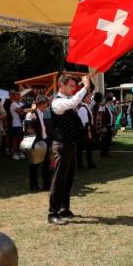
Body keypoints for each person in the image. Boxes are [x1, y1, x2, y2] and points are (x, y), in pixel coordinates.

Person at [47, 74, 88, 225]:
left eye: (74, 86)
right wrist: (85, 87)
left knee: (68, 178)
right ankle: (53, 213)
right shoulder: (58, 102)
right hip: (61, 144)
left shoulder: (67, 101)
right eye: (71, 86)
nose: (73, 88)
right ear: (61, 85)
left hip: (69, 144)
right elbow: (73, 102)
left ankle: (64, 208)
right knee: (59, 178)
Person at [25, 95, 52, 192]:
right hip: (36, 142)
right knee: (34, 165)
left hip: (43, 141)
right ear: (42, 104)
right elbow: (28, 129)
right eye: (46, 103)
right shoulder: (32, 114)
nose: (47, 105)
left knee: (45, 164)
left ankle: (47, 185)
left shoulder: (41, 113)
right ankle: (33, 186)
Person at [76, 92, 96, 169]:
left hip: (85, 131)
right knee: (82, 149)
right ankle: (81, 165)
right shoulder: (83, 108)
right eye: (88, 97)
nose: (90, 98)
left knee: (87, 148)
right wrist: (89, 132)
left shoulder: (86, 107)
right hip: (83, 132)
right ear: (84, 99)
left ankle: (89, 163)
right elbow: (85, 122)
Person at [92, 93, 114, 157]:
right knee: (105, 140)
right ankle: (104, 153)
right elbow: (99, 118)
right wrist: (103, 126)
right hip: (105, 126)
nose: (102, 99)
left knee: (106, 140)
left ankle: (105, 153)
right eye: (101, 98)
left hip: (106, 126)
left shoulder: (100, 106)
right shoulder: (99, 106)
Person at [7, 91, 26, 160]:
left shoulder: (21, 103)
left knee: (21, 139)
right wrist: (24, 110)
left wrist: (24, 110)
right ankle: (14, 153)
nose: (19, 96)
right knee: (15, 140)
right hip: (15, 124)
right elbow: (21, 112)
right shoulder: (13, 104)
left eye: (19, 95)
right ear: (14, 96)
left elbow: (24, 111)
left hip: (22, 124)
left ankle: (20, 152)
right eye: (17, 95)